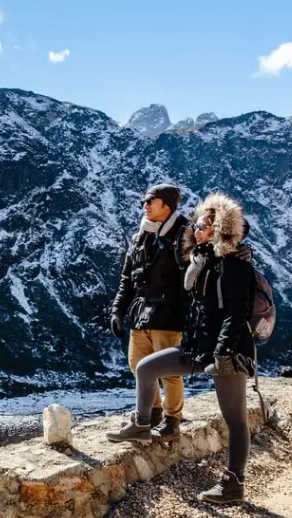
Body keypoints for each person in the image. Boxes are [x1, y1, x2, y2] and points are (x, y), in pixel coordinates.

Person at [107, 192, 256, 504]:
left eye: (202, 226)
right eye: (196, 226)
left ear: (219, 230)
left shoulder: (235, 265)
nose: (195, 230)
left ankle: (234, 482)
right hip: (199, 349)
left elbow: (236, 314)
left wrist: (223, 353)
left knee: (235, 418)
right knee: (146, 368)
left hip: (227, 353)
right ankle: (142, 423)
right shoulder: (200, 264)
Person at [110, 184, 187, 440]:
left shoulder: (184, 233)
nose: (144, 205)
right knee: (137, 364)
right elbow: (127, 279)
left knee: (168, 371)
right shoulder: (140, 236)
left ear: (166, 205)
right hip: (141, 311)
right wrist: (118, 310)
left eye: (150, 200)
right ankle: (152, 411)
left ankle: (173, 419)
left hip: (169, 313)